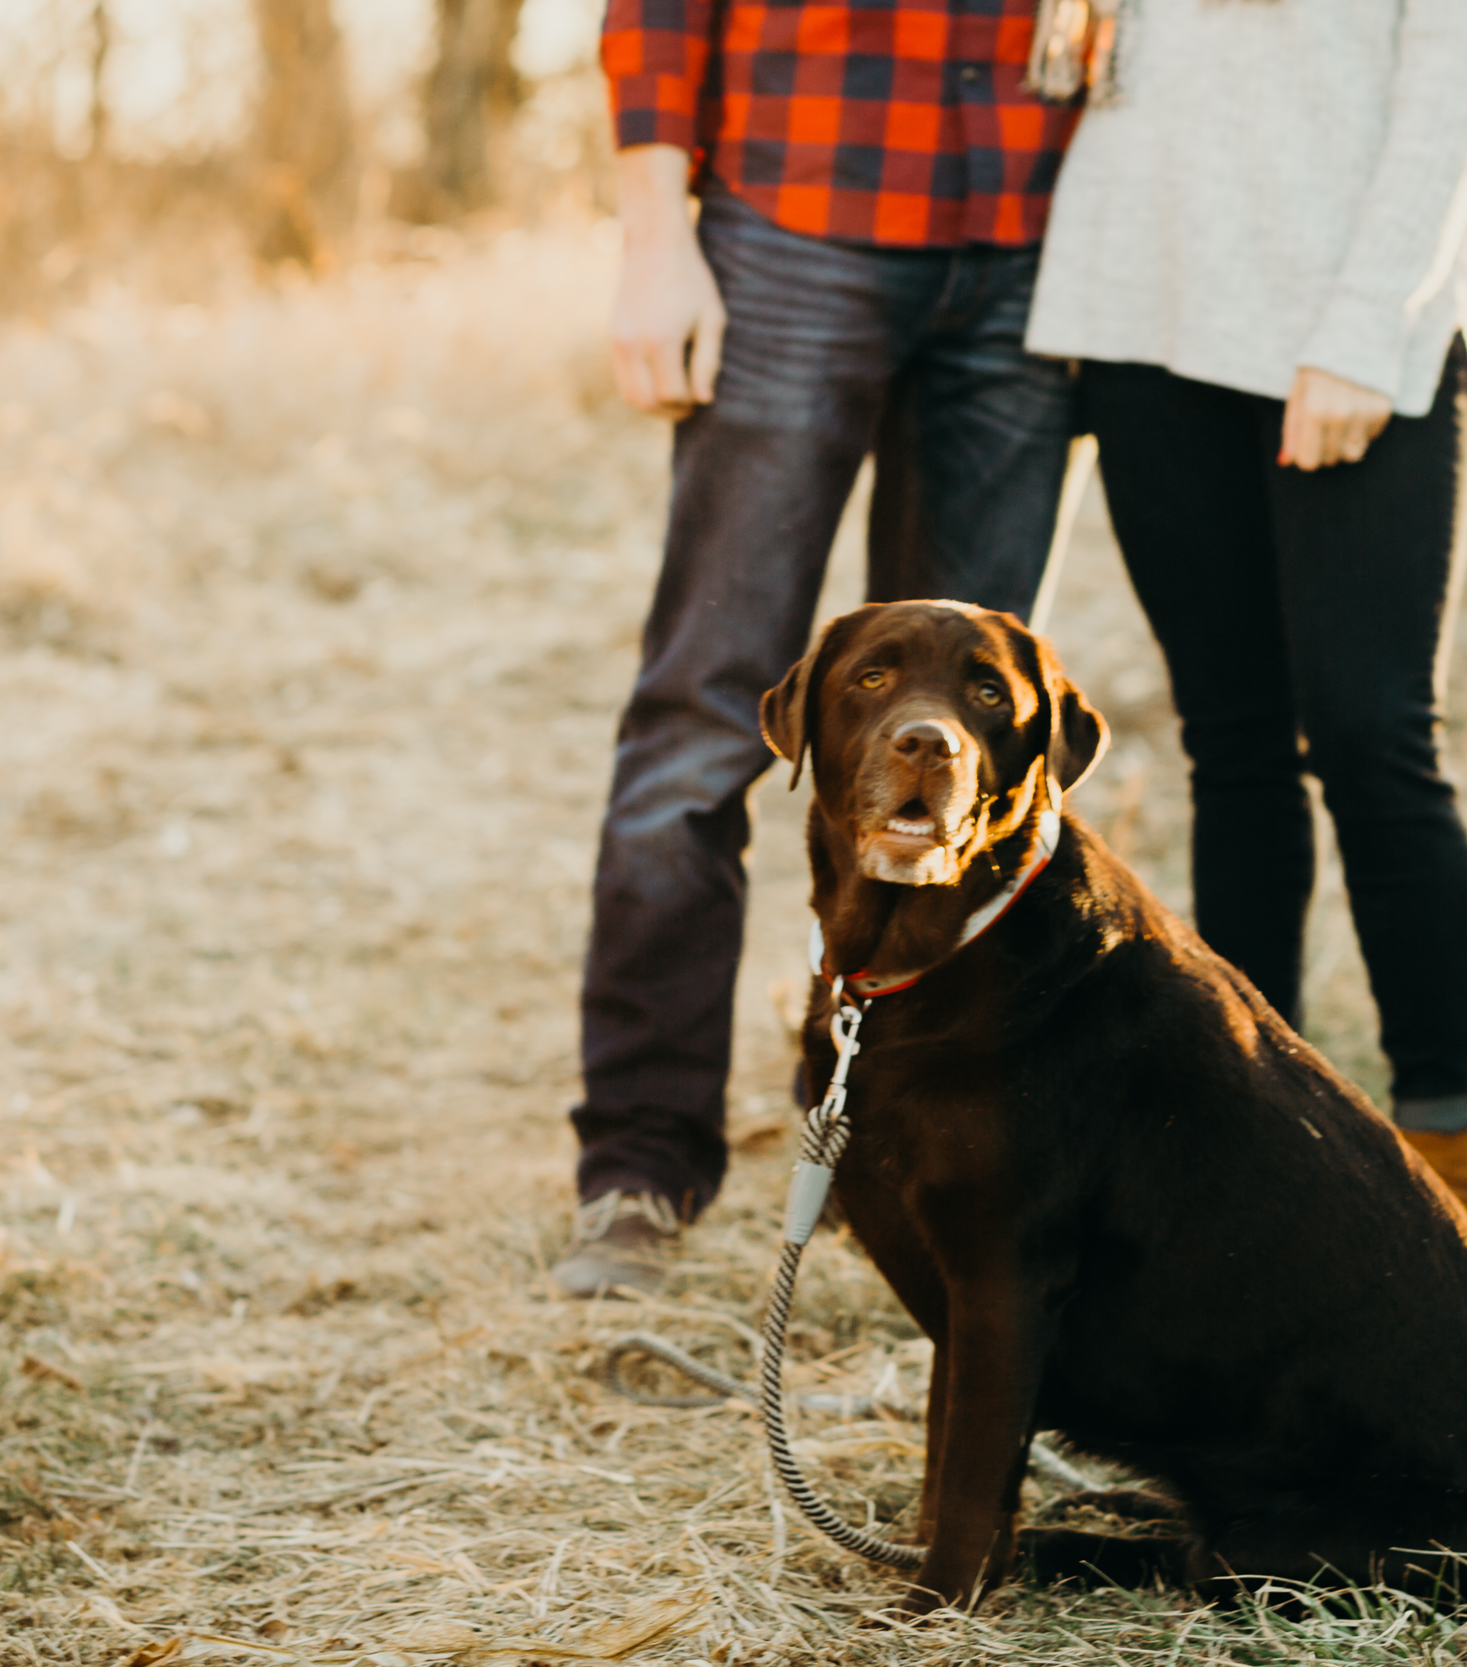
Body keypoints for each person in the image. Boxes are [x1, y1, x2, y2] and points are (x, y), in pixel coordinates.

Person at [555, 0, 1085, 1296]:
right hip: (794, 218)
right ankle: (639, 1162)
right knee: (703, 717)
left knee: (955, 767)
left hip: (1034, 236)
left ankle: (877, 1147)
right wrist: (653, 234)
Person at [1024, 0, 1467, 1256]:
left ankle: (1444, 1149)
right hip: (1147, 311)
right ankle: (1257, 1130)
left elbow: (1458, 89)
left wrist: (1364, 329)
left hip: (1360, 331)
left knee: (1372, 738)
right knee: (1232, 746)